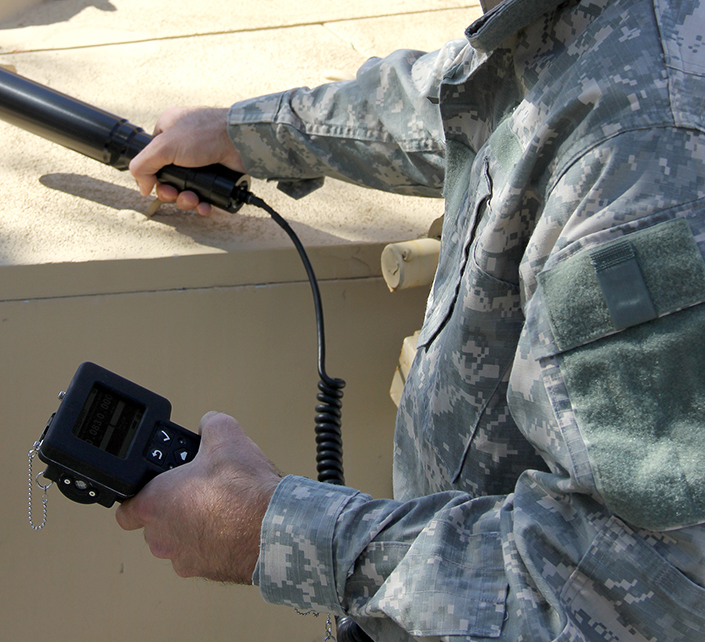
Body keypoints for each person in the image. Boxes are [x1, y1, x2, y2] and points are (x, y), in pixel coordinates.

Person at [115, 0, 705, 638]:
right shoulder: (581, 25)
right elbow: (478, 97)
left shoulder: (643, 155)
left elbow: (643, 592)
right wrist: (246, 133)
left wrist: (268, 529)